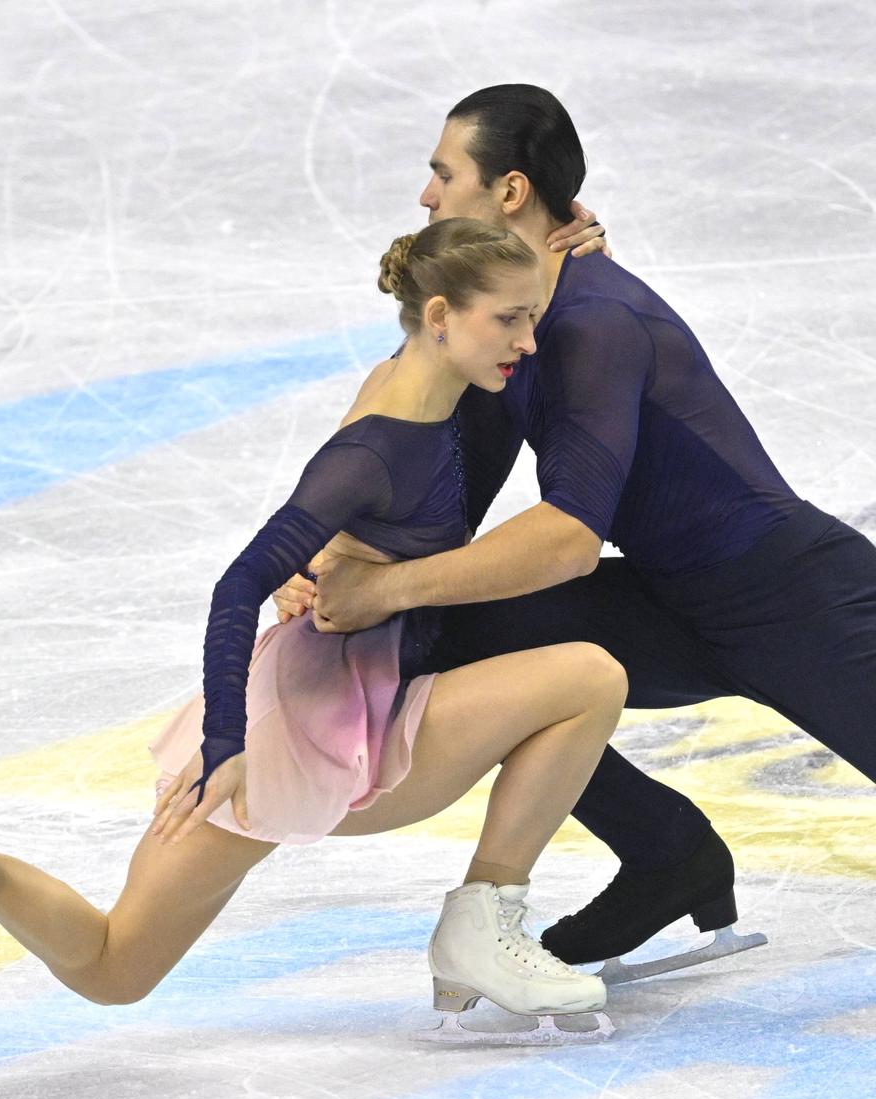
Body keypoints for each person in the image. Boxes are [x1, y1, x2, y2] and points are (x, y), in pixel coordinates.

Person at [0, 218, 628, 1038]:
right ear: (441, 316)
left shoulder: (408, 380)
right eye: (510, 320)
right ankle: (480, 925)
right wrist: (227, 746)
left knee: (114, 968)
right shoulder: (374, 451)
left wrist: (571, 253)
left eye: (530, 315)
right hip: (309, 730)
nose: (527, 338)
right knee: (589, 677)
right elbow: (239, 586)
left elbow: (498, 305)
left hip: (308, 701)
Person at [274, 82, 876, 975]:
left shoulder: (595, 319)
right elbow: (431, 496)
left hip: (794, 596)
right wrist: (326, 567)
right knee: (448, 641)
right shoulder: (508, 328)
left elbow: (565, 540)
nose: (427, 196)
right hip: (671, 605)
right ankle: (669, 853)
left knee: (418, 607)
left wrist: (385, 588)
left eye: (444, 173)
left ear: (509, 192)